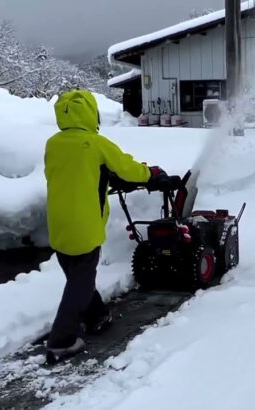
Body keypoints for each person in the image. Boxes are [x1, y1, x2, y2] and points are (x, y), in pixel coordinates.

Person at [43, 90, 177, 363]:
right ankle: (61, 340)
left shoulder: (53, 143)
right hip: (85, 224)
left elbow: (74, 174)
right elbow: (127, 168)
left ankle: (97, 316)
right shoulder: (95, 143)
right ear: (90, 113)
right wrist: (150, 173)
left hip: (58, 224)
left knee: (76, 277)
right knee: (81, 283)